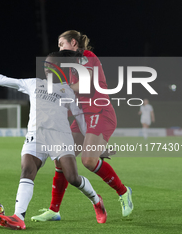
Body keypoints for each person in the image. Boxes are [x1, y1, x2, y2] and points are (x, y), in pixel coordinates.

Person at [0, 51, 107, 230]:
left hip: (60, 137)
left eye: (50, 66)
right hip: (36, 135)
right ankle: (18, 217)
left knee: (73, 178)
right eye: (45, 66)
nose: (46, 69)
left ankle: (97, 201)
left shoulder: (68, 90)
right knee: (27, 170)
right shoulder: (33, 84)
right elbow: (3, 79)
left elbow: (81, 120)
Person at [32, 31, 133, 222]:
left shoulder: (86, 57)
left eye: (62, 44)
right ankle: (54, 211)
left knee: (88, 161)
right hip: (82, 117)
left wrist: (59, 86)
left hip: (99, 113)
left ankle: (123, 191)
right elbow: (70, 96)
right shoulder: (69, 67)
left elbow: (85, 85)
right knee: (61, 161)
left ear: (73, 43)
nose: (60, 48)